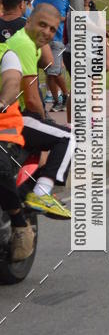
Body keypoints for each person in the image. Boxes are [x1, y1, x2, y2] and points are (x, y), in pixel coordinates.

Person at [0, 4, 72, 218]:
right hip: (16, 116)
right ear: (28, 21)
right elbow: (31, 99)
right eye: (42, 25)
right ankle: (41, 193)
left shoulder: (30, 43)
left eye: (52, 29)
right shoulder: (22, 44)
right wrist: (46, 122)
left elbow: (51, 65)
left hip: (15, 114)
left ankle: (29, 192)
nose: (47, 32)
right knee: (67, 138)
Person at [0, 61, 35, 260]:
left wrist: (2, 102)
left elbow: (12, 82)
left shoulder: (6, 53)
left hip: (5, 130)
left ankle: (19, 222)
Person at [33, 0, 69, 112]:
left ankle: (63, 97)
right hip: (42, 41)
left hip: (58, 39)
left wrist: (58, 19)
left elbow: (70, 15)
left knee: (53, 72)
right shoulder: (38, 1)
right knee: (51, 72)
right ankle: (60, 99)